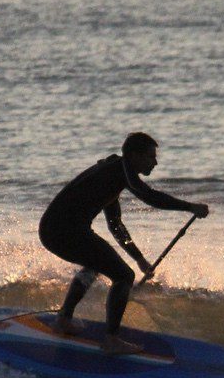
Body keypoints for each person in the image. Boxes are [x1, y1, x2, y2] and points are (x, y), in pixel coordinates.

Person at [39, 132, 209, 355]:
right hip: (63, 230)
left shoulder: (113, 174)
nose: (155, 162)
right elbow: (150, 196)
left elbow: (115, 225)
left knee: (96, 264)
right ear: (134, 156)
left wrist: (138, 259)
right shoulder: (120, 171)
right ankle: (111, 340)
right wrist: (189, 206)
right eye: (150, 157)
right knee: (123, 276)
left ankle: (63, 319)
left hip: (55, 230)